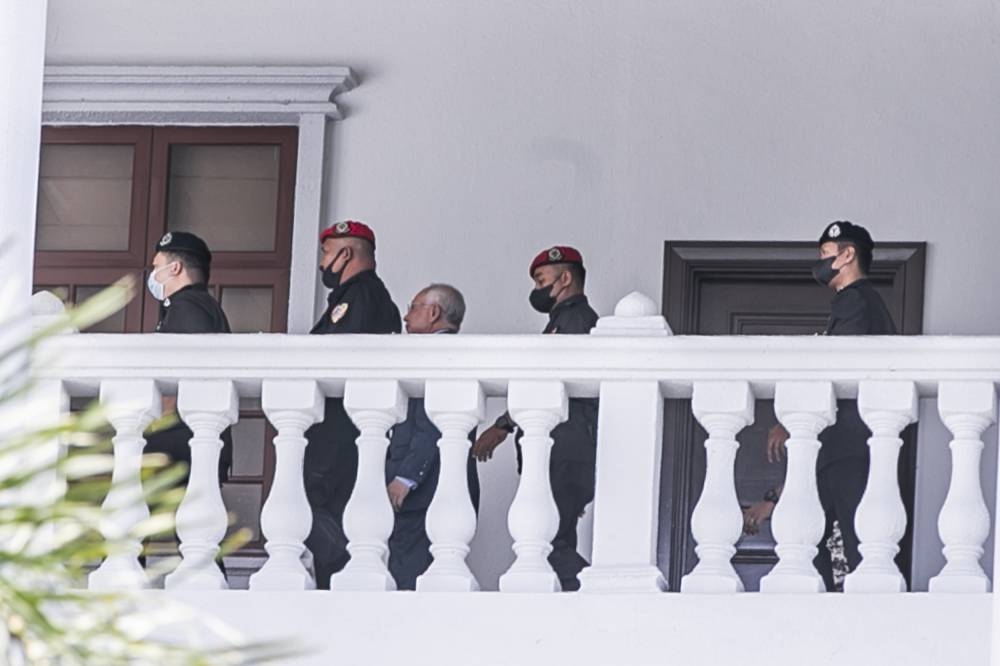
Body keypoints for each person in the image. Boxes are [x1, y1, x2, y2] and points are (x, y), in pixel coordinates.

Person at [743, 221, 897, 591]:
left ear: (847, 255)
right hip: (840, 450)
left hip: (850, 448)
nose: (821, 262)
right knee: (821, 550)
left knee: (854, 558)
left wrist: (792, 421)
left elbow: (837, 373)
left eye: (826, 254)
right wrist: (773, 499)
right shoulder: (856, 302)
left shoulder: (855, 300)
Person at [472, 246, 598, 591]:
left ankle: (598, 590)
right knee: (553, 539)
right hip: (566, 450)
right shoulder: (565, 320)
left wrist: (501, 426)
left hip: (567, 449)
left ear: (565, 278)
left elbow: (550, 382)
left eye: (542, 280)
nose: (537, 289)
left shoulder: (574, 320)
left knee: (548, 542)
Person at [305, 220, 401, 589]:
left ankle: (346, 569)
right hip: (351, 430)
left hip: (338, 428)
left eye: (327, 253)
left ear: (346, 254)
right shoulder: (371, 297)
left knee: (310, 506)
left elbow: (336, 360)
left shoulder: (358, 297)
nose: (323, 262)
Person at [386, 284, 480, 589]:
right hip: (436, 490)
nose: (405, 316)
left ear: (434, 312)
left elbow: (432, 423)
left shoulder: (438, 353)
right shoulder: (443, 352)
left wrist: (406, 476)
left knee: (411, 581)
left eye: (414, 307)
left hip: (424, 491)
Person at [144, 230, 232, 485]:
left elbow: (180, 373)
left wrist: (155, 426)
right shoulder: (199, 305)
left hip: (182, 440)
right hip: (194, 440)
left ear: (175, 268)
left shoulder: (187, 307)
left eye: (157, 267)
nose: (153, 275)